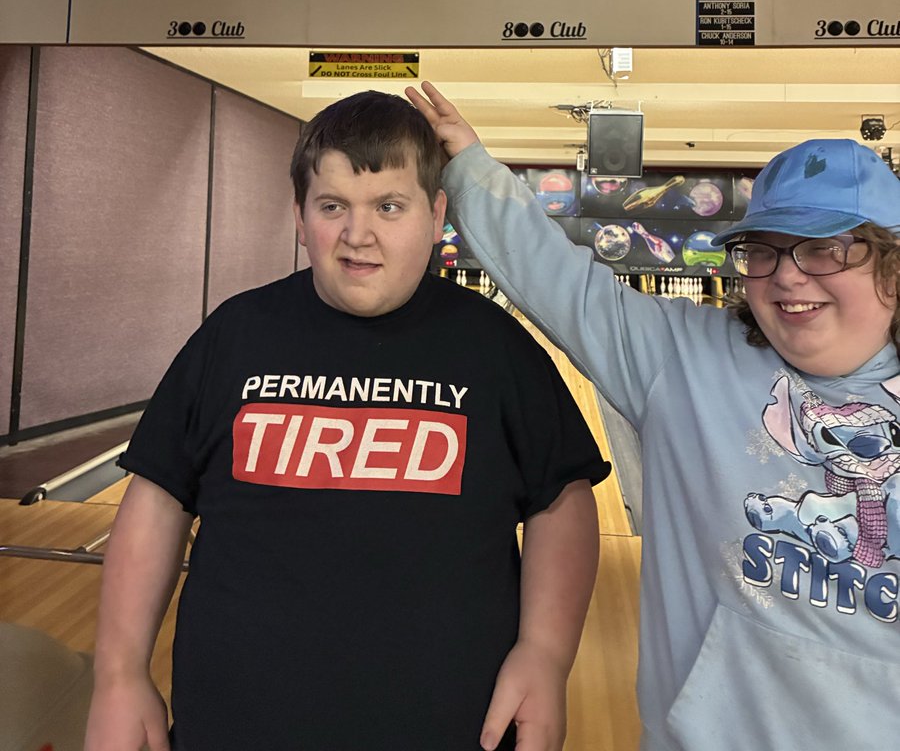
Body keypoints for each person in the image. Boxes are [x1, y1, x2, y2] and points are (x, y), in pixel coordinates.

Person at [84, 91, 609, 751]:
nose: (358, 234)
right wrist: (119, 672)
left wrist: (546, 653)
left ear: (436, 215)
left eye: (389, 207)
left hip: (451, 728)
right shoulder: (236, 335)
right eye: (333, 206)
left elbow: (561, 497)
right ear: (300, 218)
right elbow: (158, 495)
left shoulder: (494, 348)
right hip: (236, 725)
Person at [406, 81, 900, 751]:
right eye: (763, 250)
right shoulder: (685, 358)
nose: (787, 276)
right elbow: (557, 279)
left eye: (824, 248)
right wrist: (467, 167)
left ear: (891, 264)